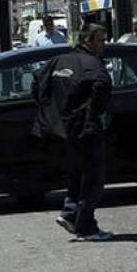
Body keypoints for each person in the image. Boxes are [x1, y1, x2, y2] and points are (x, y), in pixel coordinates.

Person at [33, 23, 114, 241]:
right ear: (87, 40)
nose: (104, 44)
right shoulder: (92, 64)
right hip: (84, 128)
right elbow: (103, 85)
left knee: (79, 173)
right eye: (100, 40)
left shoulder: (59, 60)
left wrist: (52, 108)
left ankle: (70, 214)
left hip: (63, 129)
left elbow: (38, 81)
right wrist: (92, 111)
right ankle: (86, 226)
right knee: (93, 177)